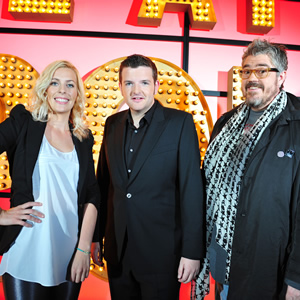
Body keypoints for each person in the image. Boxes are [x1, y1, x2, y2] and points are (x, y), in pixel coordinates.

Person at [91, 54, 205, 300]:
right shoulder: (112, 123)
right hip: (118, 252)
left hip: (162, 255)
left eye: (144, 82)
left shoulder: (180, 123)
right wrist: (95, 237)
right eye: (129, 83)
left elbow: (191, 190)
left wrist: (192, 252)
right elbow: (104, 185)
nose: (136, 90)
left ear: (156, 85)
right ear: (120, 86)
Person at [193, 39, 300, 300]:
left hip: (269, 269)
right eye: (246, 70)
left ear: (282, 76)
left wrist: (296, 279)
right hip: (223, 262)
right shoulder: (226, 123)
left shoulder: (297, 122)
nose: (252, 77)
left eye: (262, 70)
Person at [0, 60, 100, 300]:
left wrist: (84, 248)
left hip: (69, 251)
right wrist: (1, 215)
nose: (62, 90)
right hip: (26, 244)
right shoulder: (23, 122)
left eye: (70, 85)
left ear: (77, 94)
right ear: (45, 89)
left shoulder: (83, 138)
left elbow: (91, 195)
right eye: (55, 83)